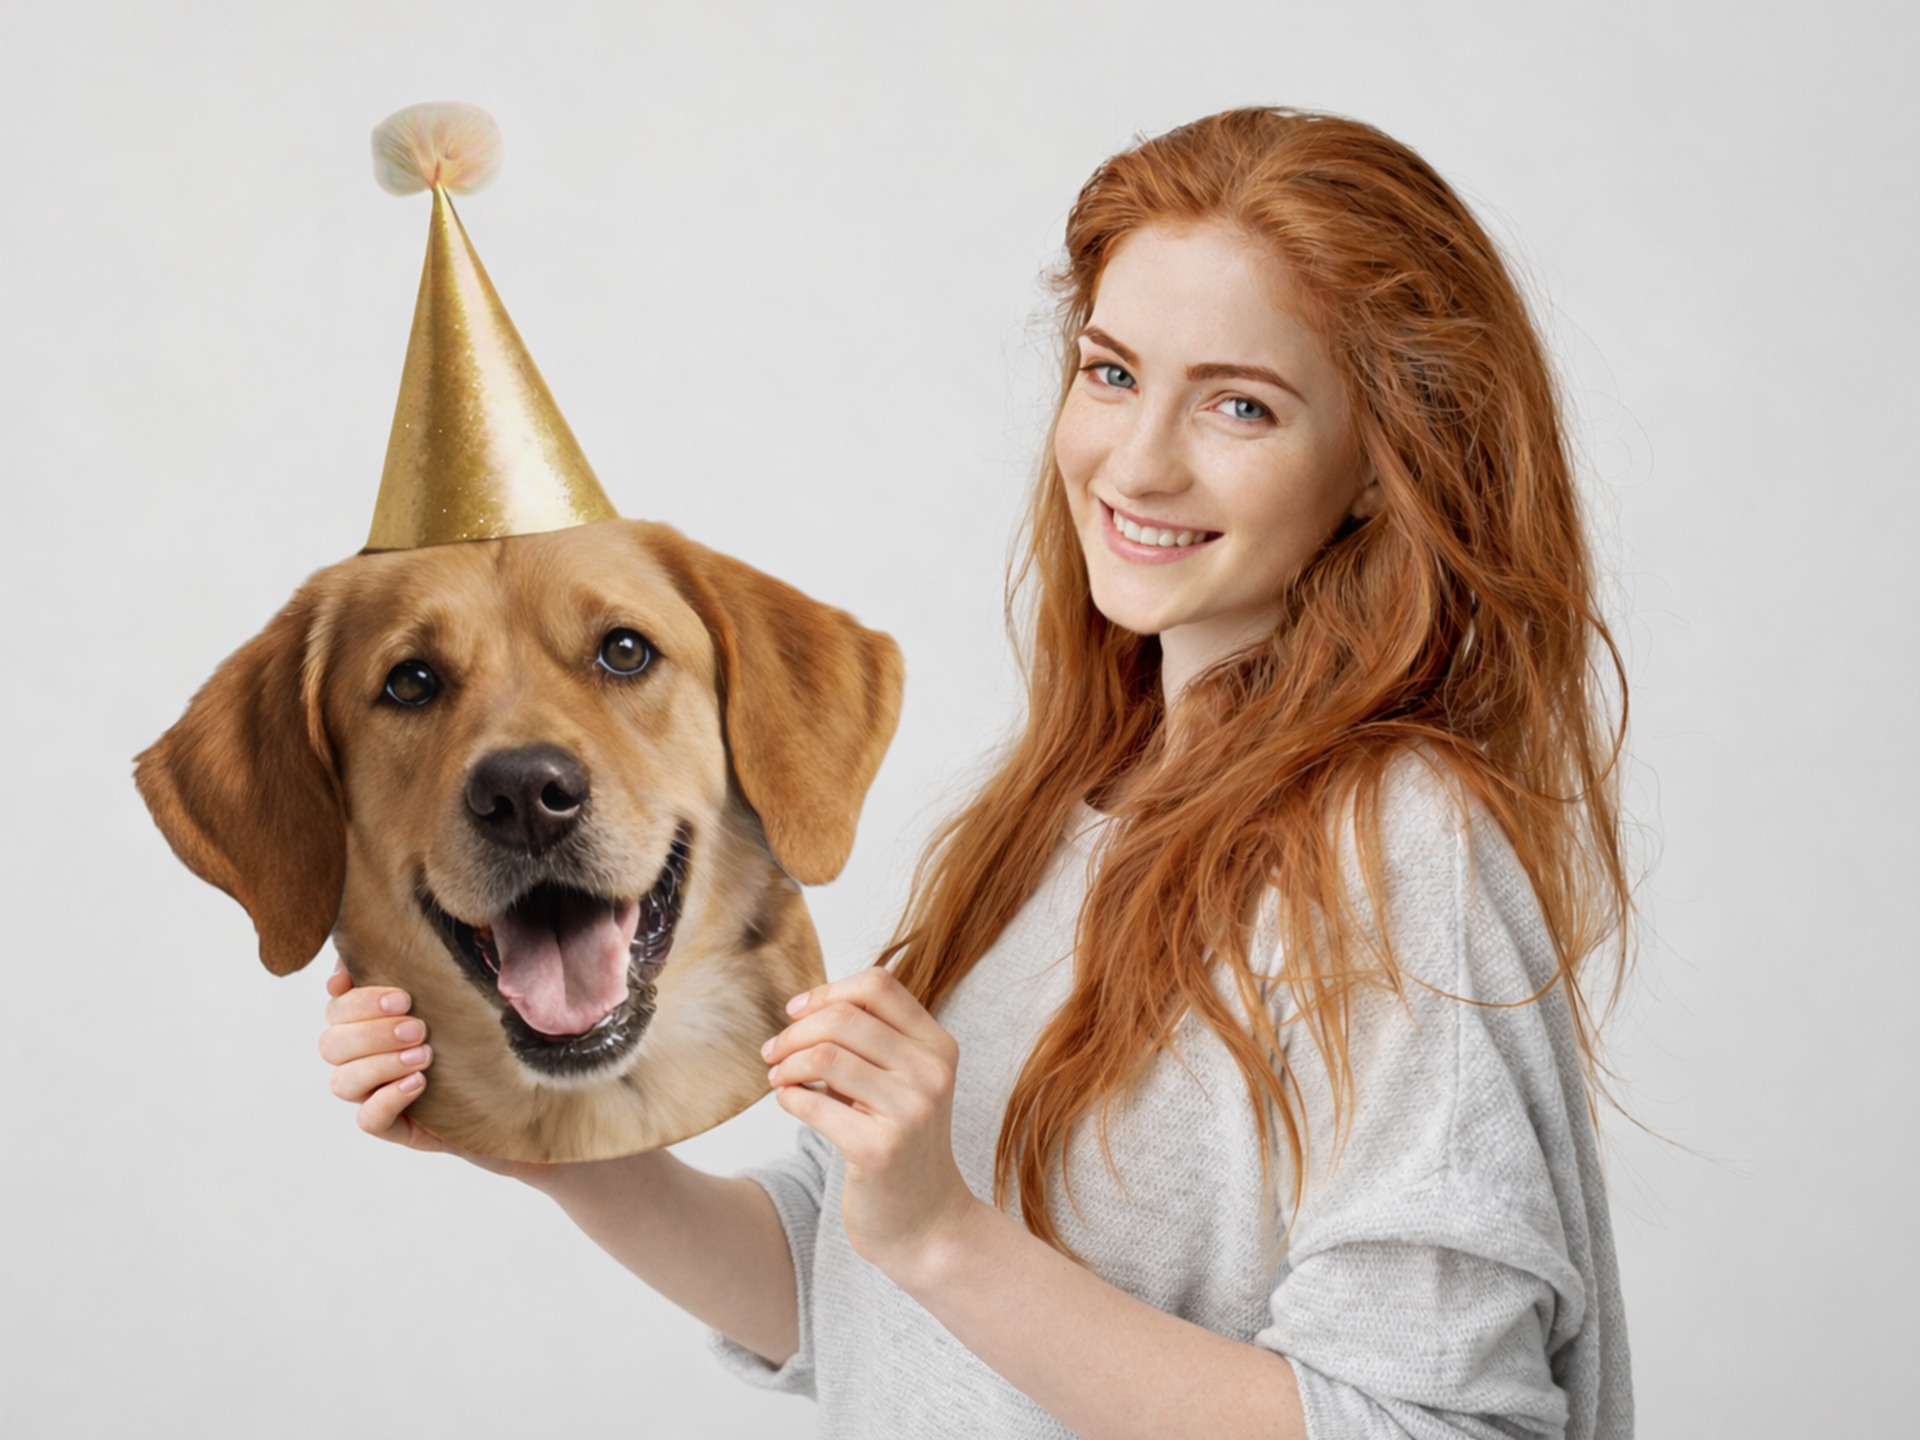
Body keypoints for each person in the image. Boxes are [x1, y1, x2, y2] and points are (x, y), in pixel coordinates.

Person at [319, 107, 1633, 1438]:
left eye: (1241, 403)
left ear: (1377, 461)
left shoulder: (1391, 841)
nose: (1138, 459)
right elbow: (858, 1294)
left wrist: (945, 1234)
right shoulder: (1065, 809)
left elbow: (1435, 1426)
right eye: (1112, 373)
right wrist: (545, 1149)